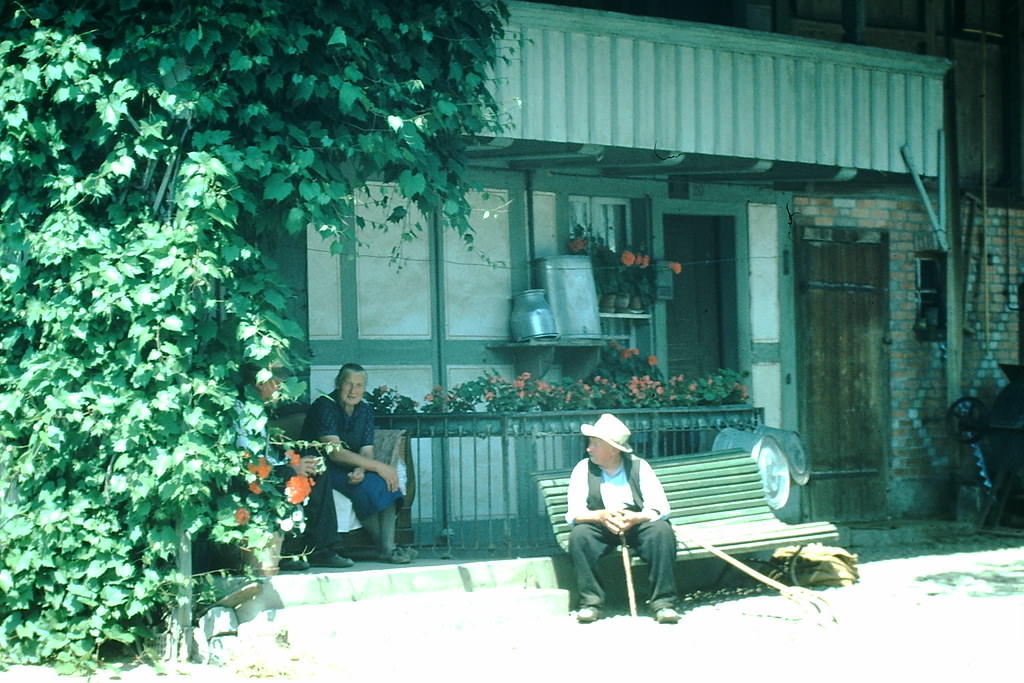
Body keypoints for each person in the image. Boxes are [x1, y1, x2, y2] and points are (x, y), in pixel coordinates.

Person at [565, 413, 681, 624]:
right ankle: (590, 603)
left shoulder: (639, 466)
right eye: (590, 443)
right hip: (600, 524)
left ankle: (663, 604)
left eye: (594, 444)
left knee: (661, 532)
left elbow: (660, 508)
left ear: (612, 449)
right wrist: (600, 515)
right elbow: (574, 513)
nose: (588, 448)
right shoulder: (583, 469)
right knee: (579, 536)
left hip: (635, 523)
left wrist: (636, 517)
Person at [301, 363, 414, 564]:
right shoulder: (323, 405)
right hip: (321, 467)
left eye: (359, 385)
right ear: (338, 384)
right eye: (349, 384)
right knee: (377, 476)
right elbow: (334, 452)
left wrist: (362, 468)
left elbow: (366, 449)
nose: (354, 390)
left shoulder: (364, 410)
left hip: (350, 464)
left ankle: (387, 548)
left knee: (382, 482)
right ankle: (387, 550)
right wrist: (379, 466)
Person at [235, 362, 323, 572]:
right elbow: (249, 457)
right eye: (276, 383)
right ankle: (285, 553)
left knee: (316, 473)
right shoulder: (242, 410)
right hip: (248, 475)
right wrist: (291, 469)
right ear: (260, 383)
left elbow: (268, 455)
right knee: (292, 475)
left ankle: (317, 549)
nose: (279, 389)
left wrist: (294, 463)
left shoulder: (262, 410)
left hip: (264, 469)